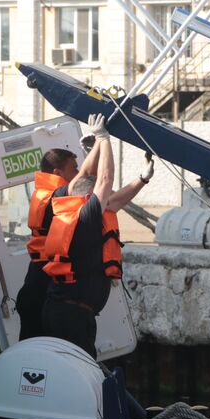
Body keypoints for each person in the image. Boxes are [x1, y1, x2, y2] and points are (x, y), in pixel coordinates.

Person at [38, 113, 153, 357]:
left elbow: (108, 196)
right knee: (75, 369)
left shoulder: (64, 202)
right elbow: (104, 179)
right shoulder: (85, 216)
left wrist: (142, 179)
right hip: (71, 318)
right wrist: (104, 138)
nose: (103, 199)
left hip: (64, 311)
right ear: (88, 199)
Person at [15, 146, 83, 340]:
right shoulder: (54, 196)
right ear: (57, 173)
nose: (77, 173)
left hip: (35, 281)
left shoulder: (43, 192)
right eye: (74, 169)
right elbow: (86, 180)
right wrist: (99, 145)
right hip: (39, 291)